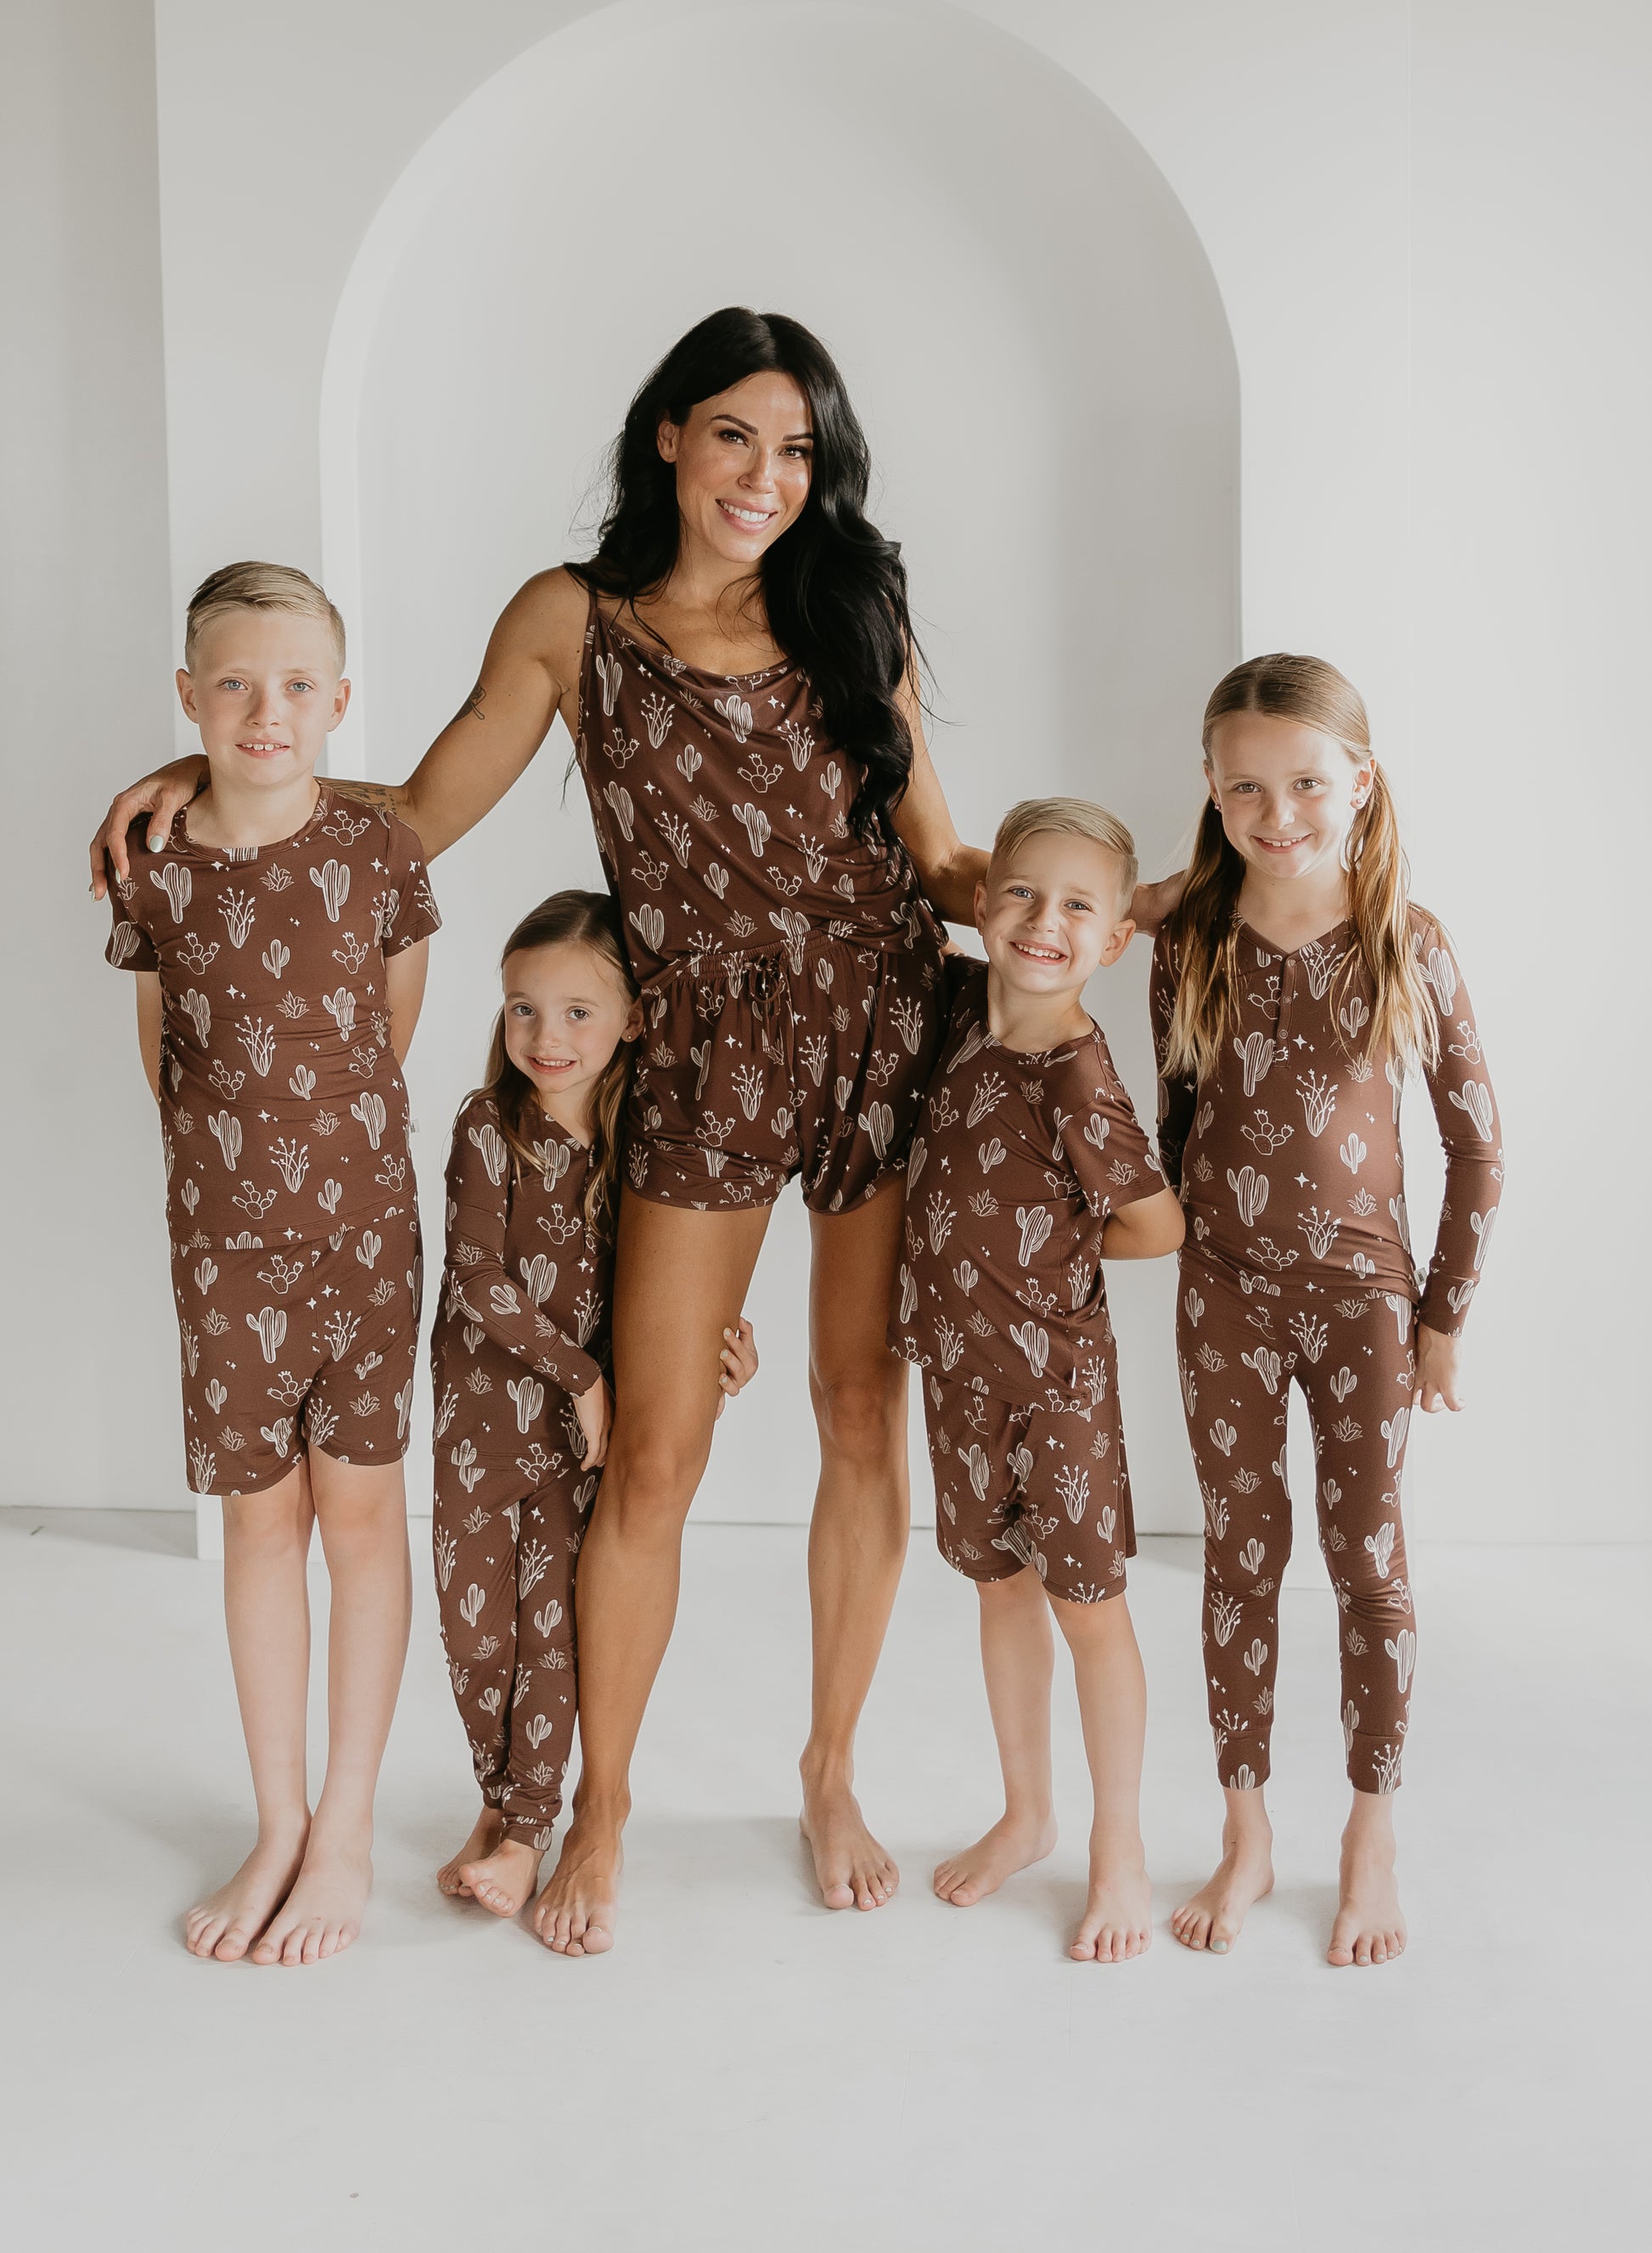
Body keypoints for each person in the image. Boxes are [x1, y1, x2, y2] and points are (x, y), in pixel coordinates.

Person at [87, 309, 1013, 1945]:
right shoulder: (571, 619)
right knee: (653, 1450)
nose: (766, 475)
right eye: (735, 434)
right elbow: (422, 815)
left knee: (863, 1413)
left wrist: (1069, 904)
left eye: (798, 449)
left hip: (882, 1023)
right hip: (698, 1053)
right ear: (668, 433)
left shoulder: (856, 606)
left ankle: (828, 1768)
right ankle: (602, 1809)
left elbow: (935, 856)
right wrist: (222, 761)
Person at [104, 562, 440, 1964]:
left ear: (339, 703)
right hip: (223, 1255)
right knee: (261, 1527)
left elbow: (390, 1031)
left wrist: (325, 1177)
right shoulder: (154, 863)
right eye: (234, 681)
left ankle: (350, 1824)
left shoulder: (377, 855)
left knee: (360, 1516)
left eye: (298, 683)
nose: (265, 708)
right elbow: (163, 1052)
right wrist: (233, 1195)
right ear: (188, 699)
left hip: (362, 1242)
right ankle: (281, 1816)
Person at [1150, 654, 1503, 1966]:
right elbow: (1177, 1135)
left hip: (1364, 1302)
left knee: (1367, 1563)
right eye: (1245, 785)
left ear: (1358, 777)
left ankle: (1370, 1826)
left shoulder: (1406, 939)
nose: (1276, 809)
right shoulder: (1191, 939)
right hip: (1224, 1301)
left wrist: (1442, 1312)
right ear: (1210, 786)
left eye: (1305, 779)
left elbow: (1478, 1148)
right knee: (1239, 1559)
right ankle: (1244, 1827)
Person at [890, 800, 1184, 1960]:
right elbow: (906, 898)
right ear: (984, 899)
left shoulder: (1075, 1073)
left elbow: (1155, 1225)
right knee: (996, 1588)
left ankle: (1120, 1845)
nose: (1041, 920)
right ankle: (1025, 1808)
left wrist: (1045, 1251)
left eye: (1075, 905)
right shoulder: (962, 1009)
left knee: (1089, 1611)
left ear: (1112, 939)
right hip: (958, 1378)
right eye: (1020, 892)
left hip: (1054, 1384)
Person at [431, 890, 757, 1928]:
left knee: (554, 1632)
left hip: (582, 1446)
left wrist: (714, 1344)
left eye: (577, 1011)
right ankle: (502, 1803)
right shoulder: (489, 1127)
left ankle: (530, 1827)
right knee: (477, 1637)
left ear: (631, 1021)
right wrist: (577, 1374)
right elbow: (476, 1279)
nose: (546, 1035)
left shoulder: (649, 1146)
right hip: (484, 1430)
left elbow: (661, 1290)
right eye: (523, 1008)